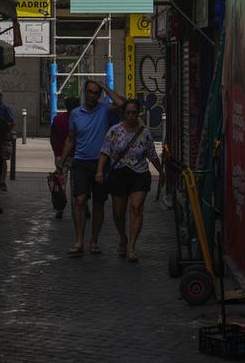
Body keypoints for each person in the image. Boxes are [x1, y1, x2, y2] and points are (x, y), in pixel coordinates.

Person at [54, 79, 125, 255]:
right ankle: (79, 241)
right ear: (85, 93)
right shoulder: (76, 114)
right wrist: (61, 161)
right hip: (80, 162)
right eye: (90, 92)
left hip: (101, 162)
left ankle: (94, 241)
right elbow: (71, 139)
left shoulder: (105, 110)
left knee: (99, 204)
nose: (92, 95)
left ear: (99, 94)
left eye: (96, 92)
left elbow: (122, 104)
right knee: (79, 200)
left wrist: (104, 86)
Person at [97, 99, 164, 262]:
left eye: (134, 112)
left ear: (138, 113)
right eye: (128, 113)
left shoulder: (144, 133)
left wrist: (161, 172)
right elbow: (105, 151)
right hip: (119, 174)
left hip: (139, 174)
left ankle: (131, 247)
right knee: (118, 213)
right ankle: (123, 237)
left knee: (136, 208)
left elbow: (152, 154)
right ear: (123, 114)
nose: (131, 116)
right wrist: (99, 170)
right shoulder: (115, 131)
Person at [49, 95, 77, 220]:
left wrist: (56, 153)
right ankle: (79, 207)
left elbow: (52, 137)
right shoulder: (79, 119)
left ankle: (60, 209)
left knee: (61, 184)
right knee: (77, 184)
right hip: (77, 156)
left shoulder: (58, 119)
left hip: (60, 156)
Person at [0, 89, 16, 189]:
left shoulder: (5, 108)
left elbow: (12, 122)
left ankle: (2, 181)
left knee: (3, 159)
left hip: (2, 138)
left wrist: (5, 131)